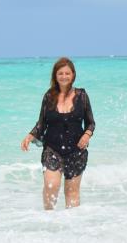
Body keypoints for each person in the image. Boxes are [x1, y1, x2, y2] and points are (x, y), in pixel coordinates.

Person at [21, 57, 95, 209]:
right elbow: (41, 123)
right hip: (52, 149)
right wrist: (30, 136)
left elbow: (90, 123)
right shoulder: (49, 96)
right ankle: (49, 218)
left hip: (76, 150)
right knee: (51, 186)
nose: (64, 76)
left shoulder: (82, 96)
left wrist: (86, 135)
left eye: (67, 73)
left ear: (73, 75)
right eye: (60, 73)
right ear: (55, 75)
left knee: (72, 192)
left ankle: (72, 222)